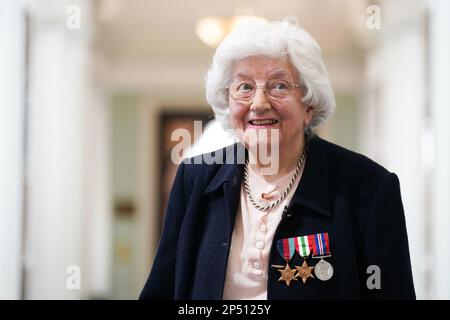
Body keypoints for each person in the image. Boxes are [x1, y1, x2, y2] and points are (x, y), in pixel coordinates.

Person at [139, 18, 415, 300]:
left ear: (309, 102)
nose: (259, 103)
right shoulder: (194, 178)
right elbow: (163, 287)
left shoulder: (368, 187)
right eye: (244, 87)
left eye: (279, 86)